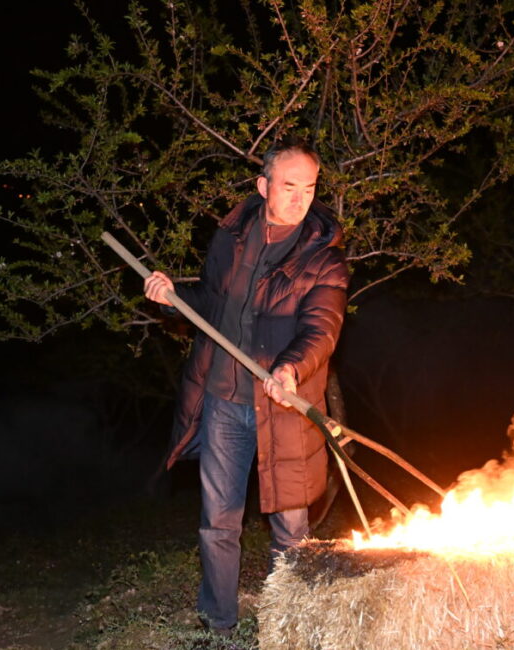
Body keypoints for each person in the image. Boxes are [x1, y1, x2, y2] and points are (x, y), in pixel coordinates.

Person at [144, 136, 349, 633]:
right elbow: (214, 305)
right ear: (263, 186)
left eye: (309, 188)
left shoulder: (323, 255)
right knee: (219, 521)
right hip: (224, 400)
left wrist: (291, 369)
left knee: (292, 529)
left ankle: (287, 626)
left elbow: (322, 327)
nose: (300, 199)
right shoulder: (231, 238)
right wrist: (174, 296)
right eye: (288, 186)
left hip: (284, 404)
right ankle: (219, 622)